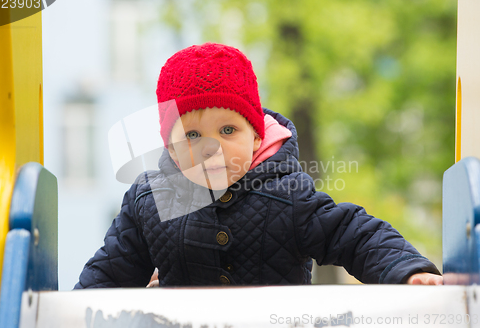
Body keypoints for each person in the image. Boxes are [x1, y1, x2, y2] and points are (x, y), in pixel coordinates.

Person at [75, 42, 442, 289]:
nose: (210, 148)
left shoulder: (288, 195)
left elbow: (355, 234)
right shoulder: (150, 204)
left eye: (228, 129)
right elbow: (111, 268)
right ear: (171, 149)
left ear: (255, 137)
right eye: (191, 136)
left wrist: (408, 271)